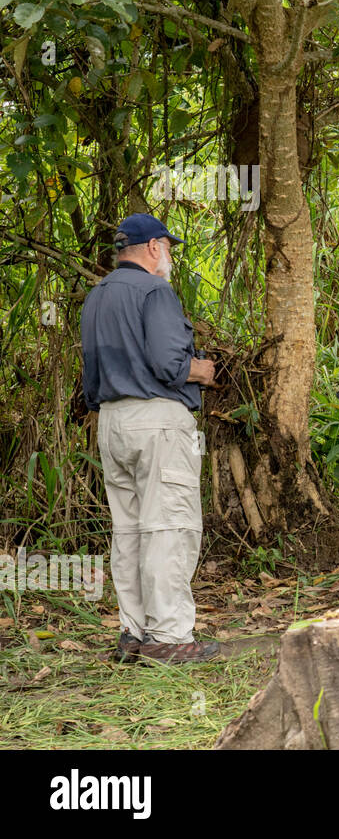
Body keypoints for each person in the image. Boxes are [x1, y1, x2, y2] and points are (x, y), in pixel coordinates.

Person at [80, 213, 219, 664]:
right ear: (155, 247)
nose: (171, 258)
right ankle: (170, 637)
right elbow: (168, 363)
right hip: (157, 420)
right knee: (169, 526)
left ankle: (134, 633)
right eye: (170, 248)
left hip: (111, 422)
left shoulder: (97, 296)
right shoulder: (154, 290)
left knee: (130, 530)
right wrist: (203, 371)